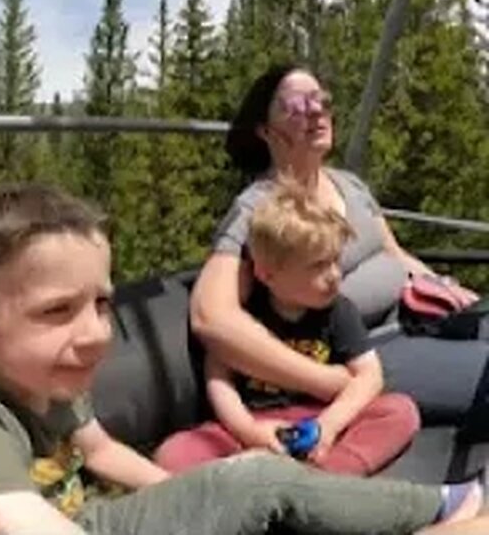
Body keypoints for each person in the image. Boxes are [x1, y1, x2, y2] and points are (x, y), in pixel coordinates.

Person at [0, 181, 489, 535]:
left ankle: (430, 507)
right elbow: (16, 518)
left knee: (241, 480)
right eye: (57, 311)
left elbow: (100, 451)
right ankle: (447, 507)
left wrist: (181, 494)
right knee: (248, 482)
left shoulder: (53, 378)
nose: (96, 333)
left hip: (99, 513)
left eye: (102, 303)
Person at [190, 64, 489, 433]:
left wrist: (447, 289)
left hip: (422, 317)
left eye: (321, 101)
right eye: (297, 105)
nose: (316, 111)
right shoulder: (261, 210)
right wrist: (323, 380)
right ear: (266, 131)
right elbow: (211, 317)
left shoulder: (350, 186)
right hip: (367, 352)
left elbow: (394, 255)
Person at [156, 177, 419, 476]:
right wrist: (248, 431)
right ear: (268, 275)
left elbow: (369, 377)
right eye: (318, 266)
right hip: (257, 424)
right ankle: (266, 480)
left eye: (335, 261)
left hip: (320, 418)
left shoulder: (338, 311)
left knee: (400, 411)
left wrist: (327, 426)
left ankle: (330, 477)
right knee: (174, 453)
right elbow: (219, 380)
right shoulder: (245, 315)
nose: (334, 275)